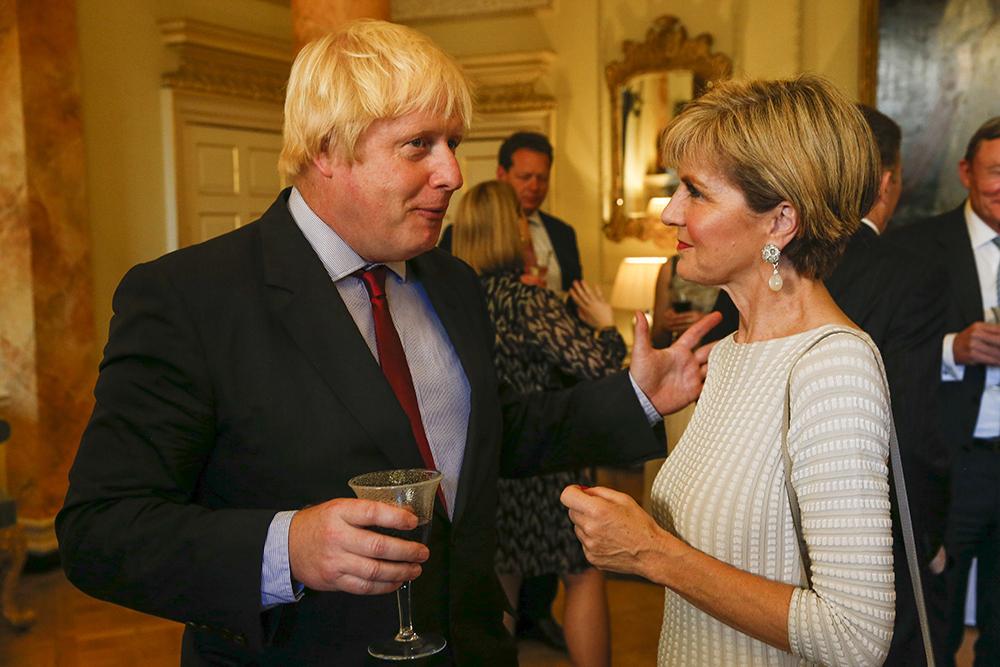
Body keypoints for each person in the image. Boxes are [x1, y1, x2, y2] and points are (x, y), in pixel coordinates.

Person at [55, 20, 719, 666]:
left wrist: (637, 396)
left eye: (453, 143)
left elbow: (484, 432)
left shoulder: (452, 281)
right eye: (419, 145)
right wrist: (287, 547)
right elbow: (101, 530)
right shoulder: (191, 297)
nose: (453, 173)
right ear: (327, 150)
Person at [562, 75, 898, 665]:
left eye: (695, 191)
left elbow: (856, 635)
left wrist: (652, 554)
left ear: (780, 223)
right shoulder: (734, 350)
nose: (669, 213)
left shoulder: (833, 370)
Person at [703, 104, 952, 664]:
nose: (675, 212)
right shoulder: (909, 270)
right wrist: (931, 539)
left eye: (696, 193)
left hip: (807, 573)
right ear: (885, 182)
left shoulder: (760, 273)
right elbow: (913, 427)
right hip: (867, 542)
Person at [451, 180, 620, 666]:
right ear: (513, 230)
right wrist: (606, 324)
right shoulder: (530, 302)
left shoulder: (453, 300)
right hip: (549, 459)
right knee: (582, 574)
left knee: (501, 580)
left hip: (490, 458)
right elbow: (601, 368)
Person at [890, 116, 1000, 667]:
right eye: (997, 172)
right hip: (954, 465)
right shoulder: (916, 247)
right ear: (965, 172)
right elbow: (887, 352)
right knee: (939, 619)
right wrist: (952, 348)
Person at [441, 132, 582, 295]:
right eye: (525, 177)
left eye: (542, 178)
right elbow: (448, 293)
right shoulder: (461, 232)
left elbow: (577, 296)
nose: (535, 186)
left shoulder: (563, 232)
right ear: (502, 174)